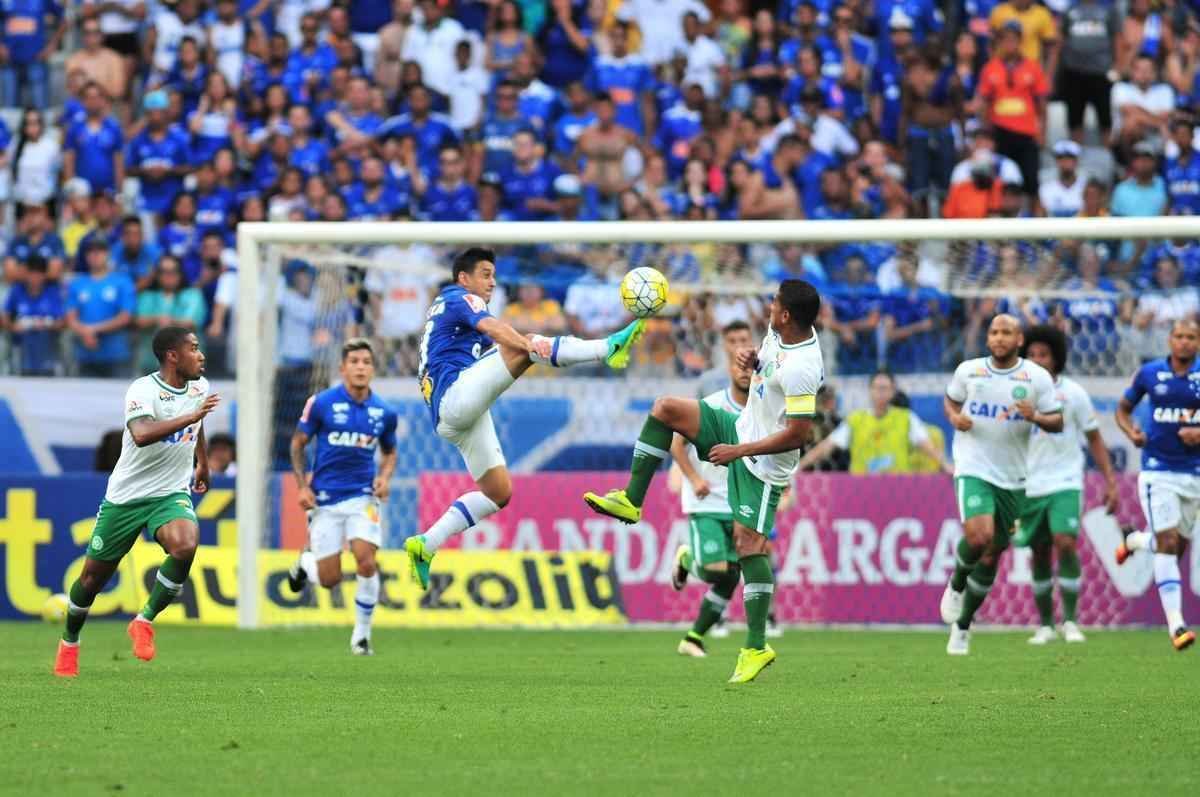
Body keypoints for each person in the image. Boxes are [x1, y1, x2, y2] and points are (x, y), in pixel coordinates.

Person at [585, 280, 823, 683]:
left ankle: (755, 646)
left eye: (774, 303)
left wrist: (739, 452)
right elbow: (771, 369)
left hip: (765, 465)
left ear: (785, 315)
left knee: (749, 547)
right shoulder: (779, 332)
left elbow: (800, 434)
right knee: (665, 409)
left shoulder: (804, 367)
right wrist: (756, 362)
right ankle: (631, 499)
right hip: (741, 426)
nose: (768, 305)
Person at [403, 248, 646, 590]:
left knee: (498, 492)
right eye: (485, 274)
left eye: (493, 275)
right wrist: (528, 346)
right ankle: (607, 349)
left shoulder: (446, 309)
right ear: (463, 277)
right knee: (527, 344)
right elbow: (491, 327)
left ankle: (425, 544)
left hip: (451, 416)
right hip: (454, 396)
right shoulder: (458, 297)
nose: (492, 282)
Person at [52, 326, 219, 677]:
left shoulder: (200, 386)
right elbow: (141, 434)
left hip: (170, 493)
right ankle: (69, 642)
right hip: (126, 498)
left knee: (186, 545)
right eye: (193, 348)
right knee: (90, 581)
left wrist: (201, 460)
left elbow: (198, 421)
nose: (201, 354)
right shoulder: (143, 390)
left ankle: (143, 621)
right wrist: (190, 416)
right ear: (172, 356)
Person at [939, 315, 1063, 656]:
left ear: (1019, 339)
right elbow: (950, 399)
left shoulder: (1036, 378)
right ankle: (956, 583)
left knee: (993, 552)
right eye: (993, 331)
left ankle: (963, 626)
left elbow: (1057, 421)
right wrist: (954, 417)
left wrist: (1035, 416)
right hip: (973, 466)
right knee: (978, 537)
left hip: (1015, 477)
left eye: (1006, 332)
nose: (999, 338)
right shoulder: (969, 370)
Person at [285, 339, 398, 656]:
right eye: (355, 362)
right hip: (325, 500)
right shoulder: (321, 403)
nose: (361, 367)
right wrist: (302, 487)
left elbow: (390, 452)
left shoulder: (384, 413)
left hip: (363, 497)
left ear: (373, 369)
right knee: (328, 579)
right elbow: (297, 443)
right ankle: (306, 563)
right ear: (343, 368)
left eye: (366, 361)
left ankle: (361, 637)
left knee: (366, 560)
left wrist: (385, 478)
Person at [1014, 325, 1118, 646]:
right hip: (1029, 484)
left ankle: (1071, 621)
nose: (1037, 360)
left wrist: (1110, 482)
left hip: (1065, 481)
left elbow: (1094, 438)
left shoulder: (1073, 393)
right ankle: (1046, 625)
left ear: (1056, 358)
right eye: (1031, 355)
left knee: (1066, 542)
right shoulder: (1015, 394)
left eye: (1043, 354)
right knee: (1040, 550)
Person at [669, 320, 753, 658]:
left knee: (731, 576)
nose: (738, 347)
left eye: (744, 340)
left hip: (738, 501)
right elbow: (678, 442)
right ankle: (686, 557)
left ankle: (693, 637)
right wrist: (692, 478)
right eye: (732, 341)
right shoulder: (710, 395)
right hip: (706, 497)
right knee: (717, 569)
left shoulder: (764, 397)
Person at [1115, 319, 1200, 652]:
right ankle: (1177, 625)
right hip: (1157, 470)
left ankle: (1134, 540)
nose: (1184, 342)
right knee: (1166, 542)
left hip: (1194, 474)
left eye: (1191, 337)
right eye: (1178, 336)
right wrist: (1131, 432)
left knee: (1176, 546)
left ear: (1197, 342)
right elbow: (1123, 410)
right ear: (1169, 340)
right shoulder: (1149, 373)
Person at [797, 371, 952, 474]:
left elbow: (928, 447)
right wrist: (799, 468)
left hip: (897, 488)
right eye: (876, 388)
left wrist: (947, 466)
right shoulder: (855, 420)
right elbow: (826, 447)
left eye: (884, 388)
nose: (880, 393)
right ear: (870, 390)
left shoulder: (907, 418)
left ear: (892, 391)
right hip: (862, 488)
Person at [65, 238, 135, 378]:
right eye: (91, 252)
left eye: (100, 251)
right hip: (85, 353)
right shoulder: (77, 283)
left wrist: (92, 330)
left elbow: (125, 317)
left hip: (116, 354)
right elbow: (70, 317)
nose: (95, 255)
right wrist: (85, 332)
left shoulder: (122, 281)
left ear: (108, 254)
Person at [1, 254, 63, 375]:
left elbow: (61, 321)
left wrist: (46, 324)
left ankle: (50, 370)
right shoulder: (17, 290)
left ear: (44, 275)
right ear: (26, 274)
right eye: (31, 273)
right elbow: (4, 317)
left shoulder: (52, 291)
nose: (35, 277)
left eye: (39, 273)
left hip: (47, 342)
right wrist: (14, 326)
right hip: (20, 344)